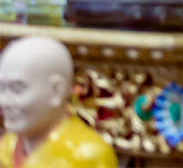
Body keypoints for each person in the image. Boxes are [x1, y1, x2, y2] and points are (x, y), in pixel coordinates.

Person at [0, 36, 116, 168]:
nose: (4, 101)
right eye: (2, 88)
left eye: (17, 89)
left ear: (56, 91)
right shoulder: (7, 145)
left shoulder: (86, 154)